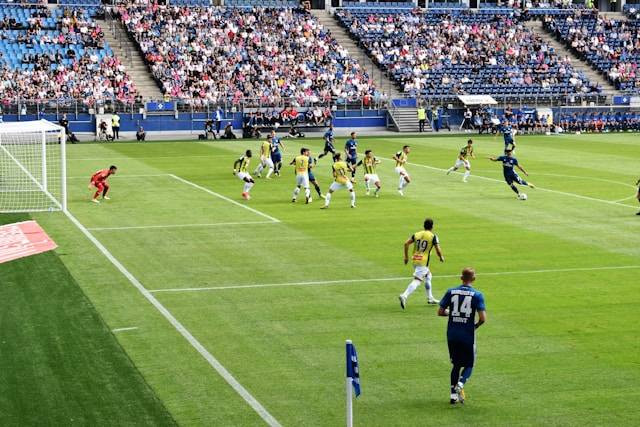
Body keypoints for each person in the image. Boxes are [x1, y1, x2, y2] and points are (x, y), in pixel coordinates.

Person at [438, 267, 486, 405]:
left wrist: (452, 313)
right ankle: (460, 384)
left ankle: (453, 395)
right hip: (467, 334)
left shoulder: (451, 291)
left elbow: (440, 312)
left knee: (456, 365)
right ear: (474, 278)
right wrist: (474, 326)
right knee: (470, 364)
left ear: (461, 278)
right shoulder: (477, 295)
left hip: (452, 333)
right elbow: (483, 318)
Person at [398, 217, 444, 309]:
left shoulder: (417, 234)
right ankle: (404, 295)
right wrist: (441, 257)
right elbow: (438, 249)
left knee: (428, 275)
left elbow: (406, 243)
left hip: (415, 259)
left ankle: (430, 298)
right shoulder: (433, 236)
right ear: (432, 226)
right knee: (417, 280)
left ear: (424, 226)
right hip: (423, 262)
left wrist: (406, 257)